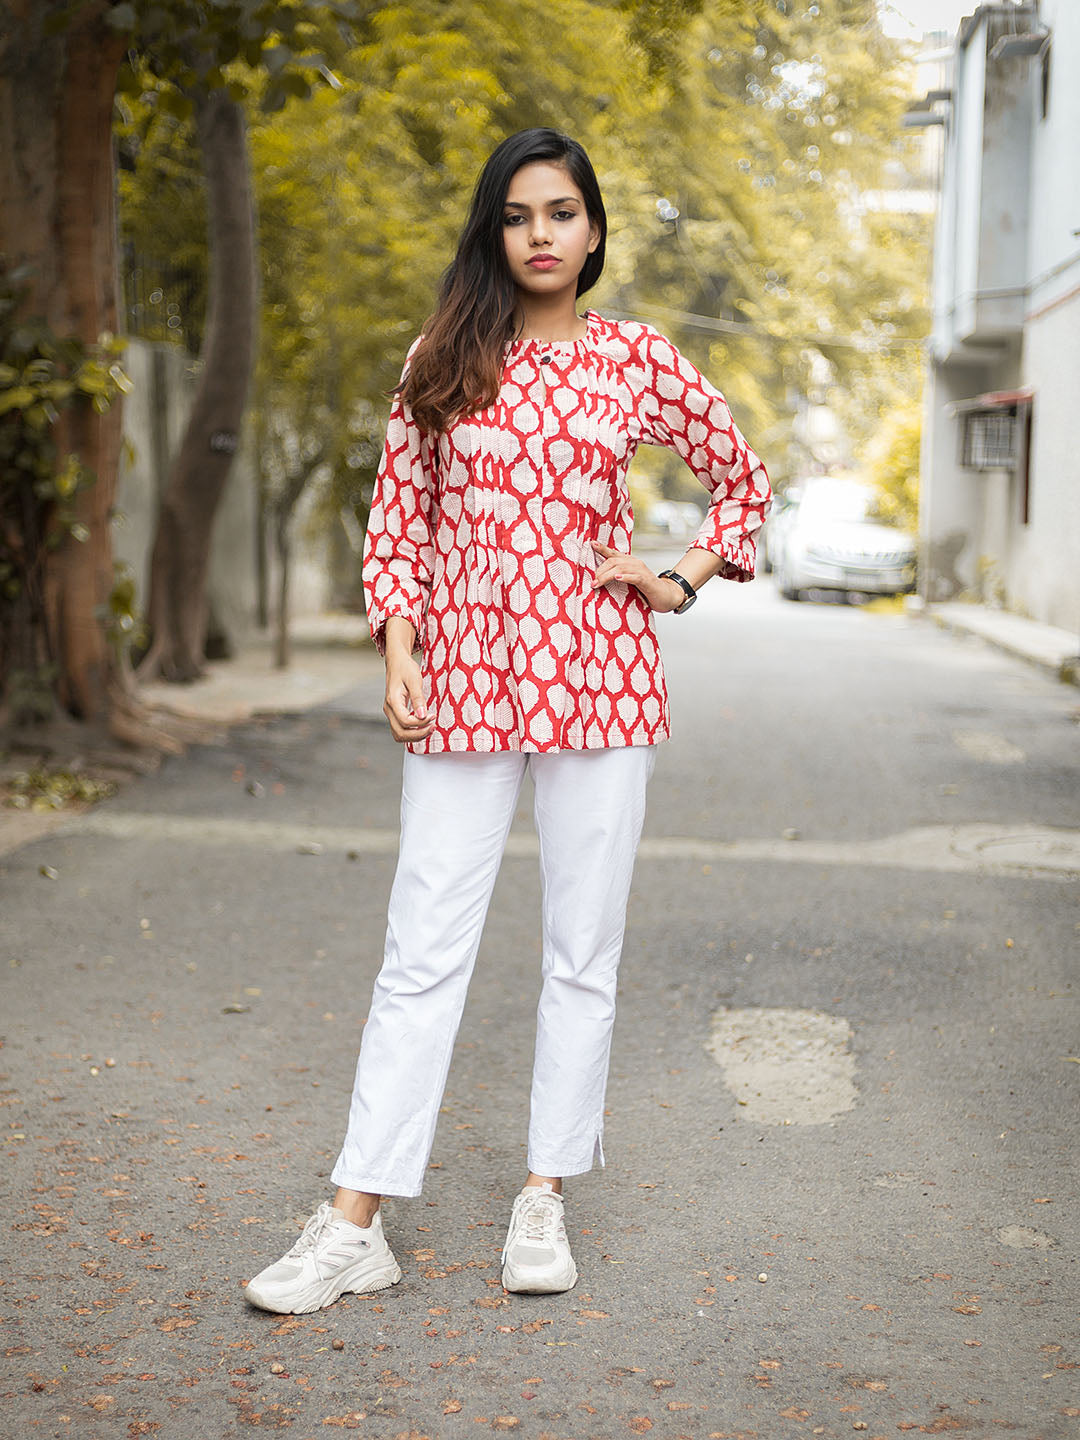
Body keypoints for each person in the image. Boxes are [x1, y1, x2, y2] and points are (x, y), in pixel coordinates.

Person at [244, 127, 770, 1315]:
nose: (542, 233)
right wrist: (399, 651)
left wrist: (677, 579)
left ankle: (545, 1191)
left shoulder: (635, 359)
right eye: (520, 214)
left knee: (582, 951)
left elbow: (744, 479)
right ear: (495, 230)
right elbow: (403, 521)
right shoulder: (445, 357)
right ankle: (354, 1221)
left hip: (602, 676)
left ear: (593, 230)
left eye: (563, 213)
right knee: (421, 950)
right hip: (467, 681)